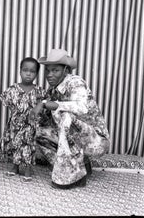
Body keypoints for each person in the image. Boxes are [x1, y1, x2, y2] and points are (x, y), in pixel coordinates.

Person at [30, 49, 110, 189]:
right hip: (77, 138)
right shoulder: (53, 89)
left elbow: (82, 107)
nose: (49, 75)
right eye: (48, 71)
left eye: (55, 70)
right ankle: (79, 165)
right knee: (36, 131)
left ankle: (72, 177)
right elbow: (45, 114)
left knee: (65, 116)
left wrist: (47, 104)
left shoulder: (75, 82)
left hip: (96, 141)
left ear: (66, 70)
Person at [0, 57, 46, 182]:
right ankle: (15, 167)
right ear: (20, 71)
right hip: (15, 124)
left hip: (31, 125)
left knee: (29, 145)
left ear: (36, 74)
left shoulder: (39, 91)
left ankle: (28, 168)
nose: (28, 73)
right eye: (25, 70)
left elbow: (44, 105)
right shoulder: (12, 90)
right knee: (15, 144)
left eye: (32, 71)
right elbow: (7, 102)